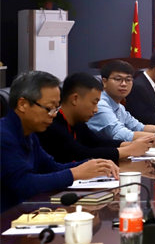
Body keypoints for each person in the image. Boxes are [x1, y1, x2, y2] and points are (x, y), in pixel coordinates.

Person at [0, 71, 118, 213]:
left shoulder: (28, 135)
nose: (54, 114)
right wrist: (75, 173)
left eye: (56, 108)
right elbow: (24, 184)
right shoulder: (4, 136)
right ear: (23, 104)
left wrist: (94, 165)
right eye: (49, 108)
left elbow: (52, 167)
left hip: (26, 212)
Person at [38, 72, 155, 164]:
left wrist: (129, 145)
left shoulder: (78, 123)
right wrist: (128, 150)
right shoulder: (52, 125)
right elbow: (81, 153)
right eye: (94, 103)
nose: (96, 110)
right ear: (75, 99)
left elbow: (96, 142)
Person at [87, 60, 155, 142]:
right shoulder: (100, 104)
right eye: (118, 79)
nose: (124, 84)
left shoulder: (119, 106)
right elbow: (122, 134)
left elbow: (140, 127)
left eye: (128, 79)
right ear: (104, 82)